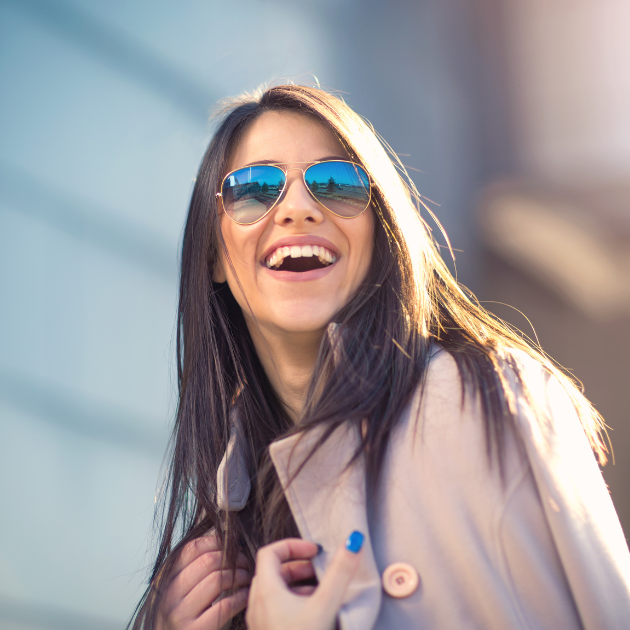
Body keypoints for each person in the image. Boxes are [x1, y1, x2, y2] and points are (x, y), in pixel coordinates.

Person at [130, 84, 630, 630]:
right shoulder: (213, 556)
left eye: (336, 183)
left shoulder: (488, 398)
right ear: (215, 257)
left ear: (379, 233)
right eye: (254, 189)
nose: (297, 208)